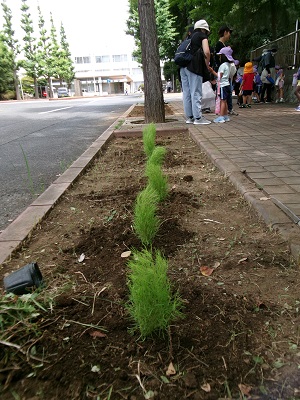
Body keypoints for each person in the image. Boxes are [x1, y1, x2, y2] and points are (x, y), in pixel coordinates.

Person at [180, 19, 212, 125]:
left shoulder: (189, 37)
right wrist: (207, 64)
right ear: (204, 29)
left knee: (187, 93)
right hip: (194, 67)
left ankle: (190, 117)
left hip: (183, 66)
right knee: (196, 92)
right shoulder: (201, 36)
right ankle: (198, 118)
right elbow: (207, 51)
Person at [214, 25, 238, 116]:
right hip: (223, 74)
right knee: (222, 94)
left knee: (226, 93)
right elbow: (217, 60)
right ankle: (223, 111)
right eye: (229, 33)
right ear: (225, 32)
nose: (230, 35)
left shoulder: (224, 45)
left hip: (226, 73)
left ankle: (227, 110)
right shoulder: (219, 45)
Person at [208, 46, 235, 123]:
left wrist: (212, 71)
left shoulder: (223, 65)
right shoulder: (229, 65)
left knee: (222, 101)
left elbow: (219, 76)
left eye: (220, 56)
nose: (219, 57)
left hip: (222, 85)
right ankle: (225, 116)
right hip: (227, 84)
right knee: (225, 101)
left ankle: (221, 116)